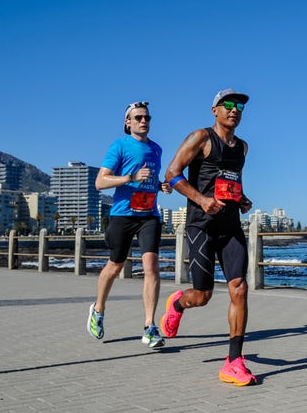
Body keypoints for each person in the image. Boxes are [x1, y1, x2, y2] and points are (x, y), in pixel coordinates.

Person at [160, 88, 257, 386]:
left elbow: (230, 182)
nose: (234, 109)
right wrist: (201, 200)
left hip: (230, 227)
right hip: (201, 225)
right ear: (214, 110)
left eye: (239, 106)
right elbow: (173, 174)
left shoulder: (242, 147)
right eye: (228, 105)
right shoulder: (200, 138)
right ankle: (177, 304)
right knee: (202, 296)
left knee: (239, 288)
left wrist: (242, 200)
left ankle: (234, 361)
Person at [86, 101, 171, 349]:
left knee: (152, 267)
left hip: (149, 216)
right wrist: (130, 177)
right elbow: (100, 183)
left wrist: (160, 186)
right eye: (138, 118)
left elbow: (149, 180)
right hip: (123, 214)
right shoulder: (119, 146)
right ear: (128, 122)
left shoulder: (157, 149)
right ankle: (98, 309)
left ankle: (149, 327)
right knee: (115, 265)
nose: (143, 121)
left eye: (147, 117)